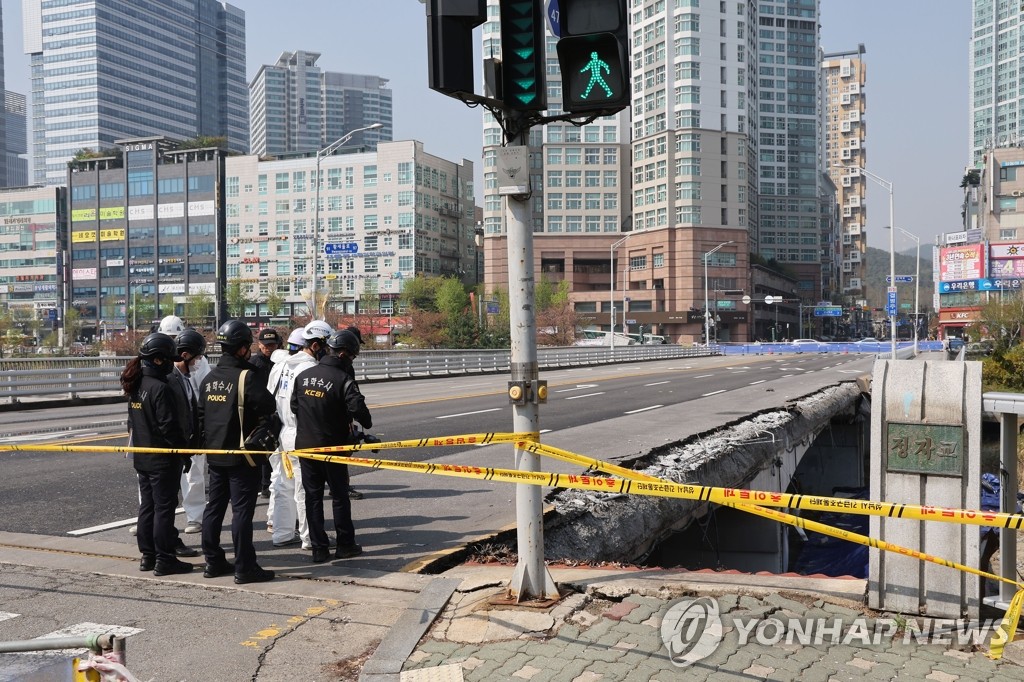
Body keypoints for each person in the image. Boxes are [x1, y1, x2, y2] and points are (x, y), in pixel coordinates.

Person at [198, 319, 277, 584]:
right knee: (242, 512)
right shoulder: (248, 377)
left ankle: (212, 560)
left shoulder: (209, 379)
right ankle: (245, 567)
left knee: (214, 509)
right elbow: (268, 406)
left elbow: (200, 418)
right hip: (243, 456)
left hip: (215, 455)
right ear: (242, 348)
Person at [291, 329, 371, 563]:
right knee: (339, 496)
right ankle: (345, 544)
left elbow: (295, 407)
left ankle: (319, 549)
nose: (352, 361)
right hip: (333, 447)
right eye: (353, 357)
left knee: (312, 498)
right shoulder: (344, 380)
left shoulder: (304, 376)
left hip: (305, 445)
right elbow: (362, 415)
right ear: (344, 354)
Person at [120, 333, 194, 576]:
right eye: (169, 360)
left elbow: (133, 424)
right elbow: (169, 428)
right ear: (159, 360)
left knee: (148, 507)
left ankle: (148, 555)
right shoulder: (161, 388)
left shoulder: (136, 385)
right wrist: (184, 454)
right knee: (164, 508)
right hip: (163, 459)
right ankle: (165, 558)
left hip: (142, 456)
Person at [266, 321, 332, 549]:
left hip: (281, 432)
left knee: (283, 486)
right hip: (300, 433)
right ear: (315, 345)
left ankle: (282, 534)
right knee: (304, 489)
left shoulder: (280, 365)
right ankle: (309, 538)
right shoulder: (309, 370)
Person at [173, 329, 209, 535]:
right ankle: (148, 518)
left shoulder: (199, 363)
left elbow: (203, 391)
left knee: (192, 473)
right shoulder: (161, 359)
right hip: (172, 426)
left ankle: (195, 516)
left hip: (192, 422)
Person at [251, 328, 280, 498]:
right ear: (259, 344)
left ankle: (268, 484)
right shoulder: (255, 363)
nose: (269, 348)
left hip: (275, 410)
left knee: (272, 449)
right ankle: (264, 485)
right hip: (260, 412)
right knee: (263, 450)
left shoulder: (279, 362)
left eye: (273, 345)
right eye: (266, 345)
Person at [343, 326, 368, 501]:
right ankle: (342, 487)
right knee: (343, 452)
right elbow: (352, 397)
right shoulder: (345, 365)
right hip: (340, 417)